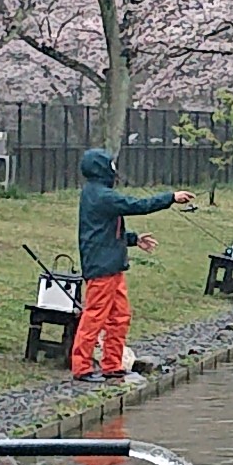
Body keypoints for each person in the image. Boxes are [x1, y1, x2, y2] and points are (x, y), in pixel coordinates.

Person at [72, 149, 193, 382]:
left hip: (113, 266)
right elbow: (137, 204)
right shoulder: (101, 195)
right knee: (94, 317)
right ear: (102, 168)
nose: (115, 169)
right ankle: (82, 367)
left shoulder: (99, 194)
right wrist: (170, 198)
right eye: (111, 165)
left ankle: (112, 364)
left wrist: (134, 239)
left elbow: (106, 232)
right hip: (101, 268)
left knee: (120, 316)